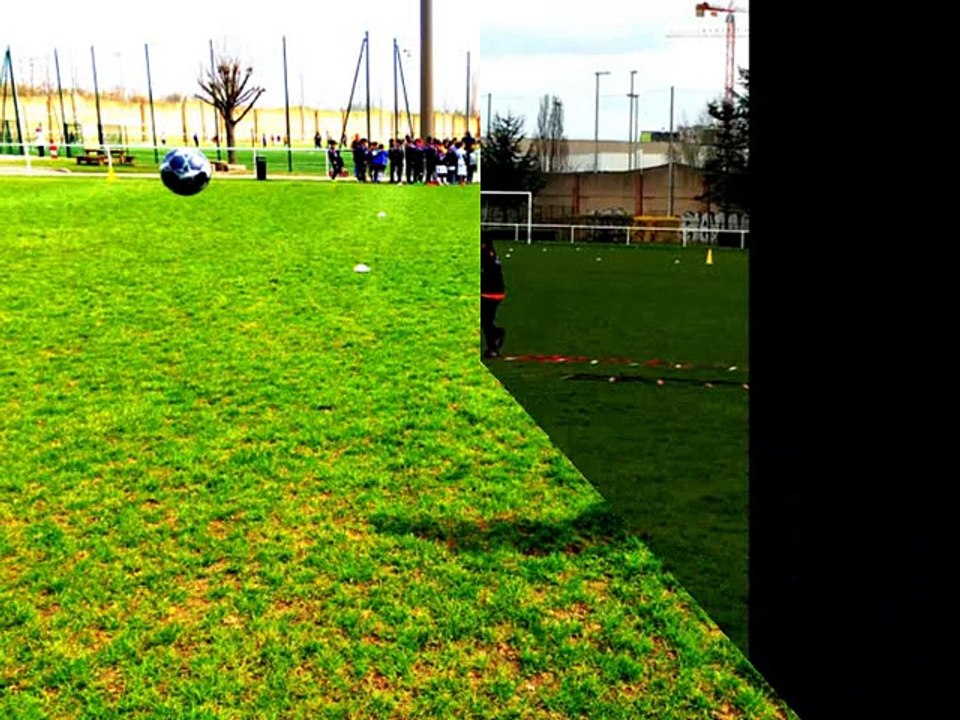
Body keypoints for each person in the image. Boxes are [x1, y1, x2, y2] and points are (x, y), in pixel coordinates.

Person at [481, 236, 507, 358]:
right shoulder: (491, 253)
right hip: (496, 291)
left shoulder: (485, 255)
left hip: (490, 292)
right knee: (486, 321)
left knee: (485, 321)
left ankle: (493, 347)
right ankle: (496, 336)